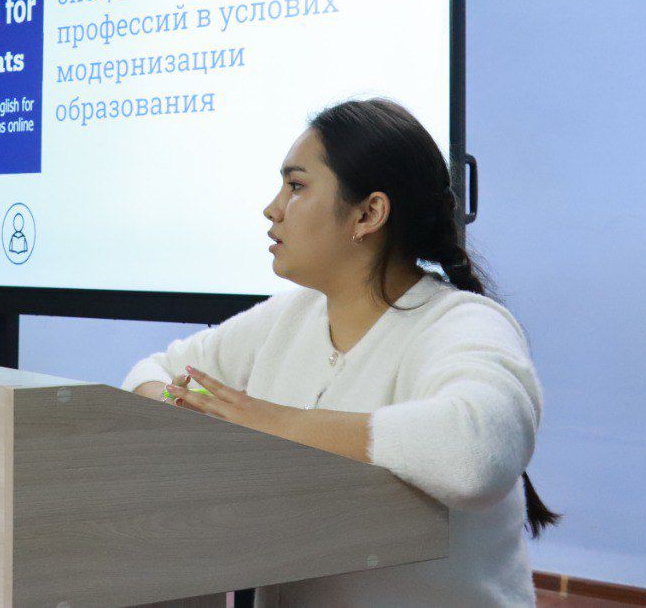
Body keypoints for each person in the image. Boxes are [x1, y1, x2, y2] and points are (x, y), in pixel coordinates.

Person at [121, 97, 558, 606]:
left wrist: (269, 421)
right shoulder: (289, 316)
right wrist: (191, 405)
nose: (272, 208)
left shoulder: (463, 324)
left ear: (369, 213)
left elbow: (474, 454)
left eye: (296, 186)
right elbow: (150, 372)